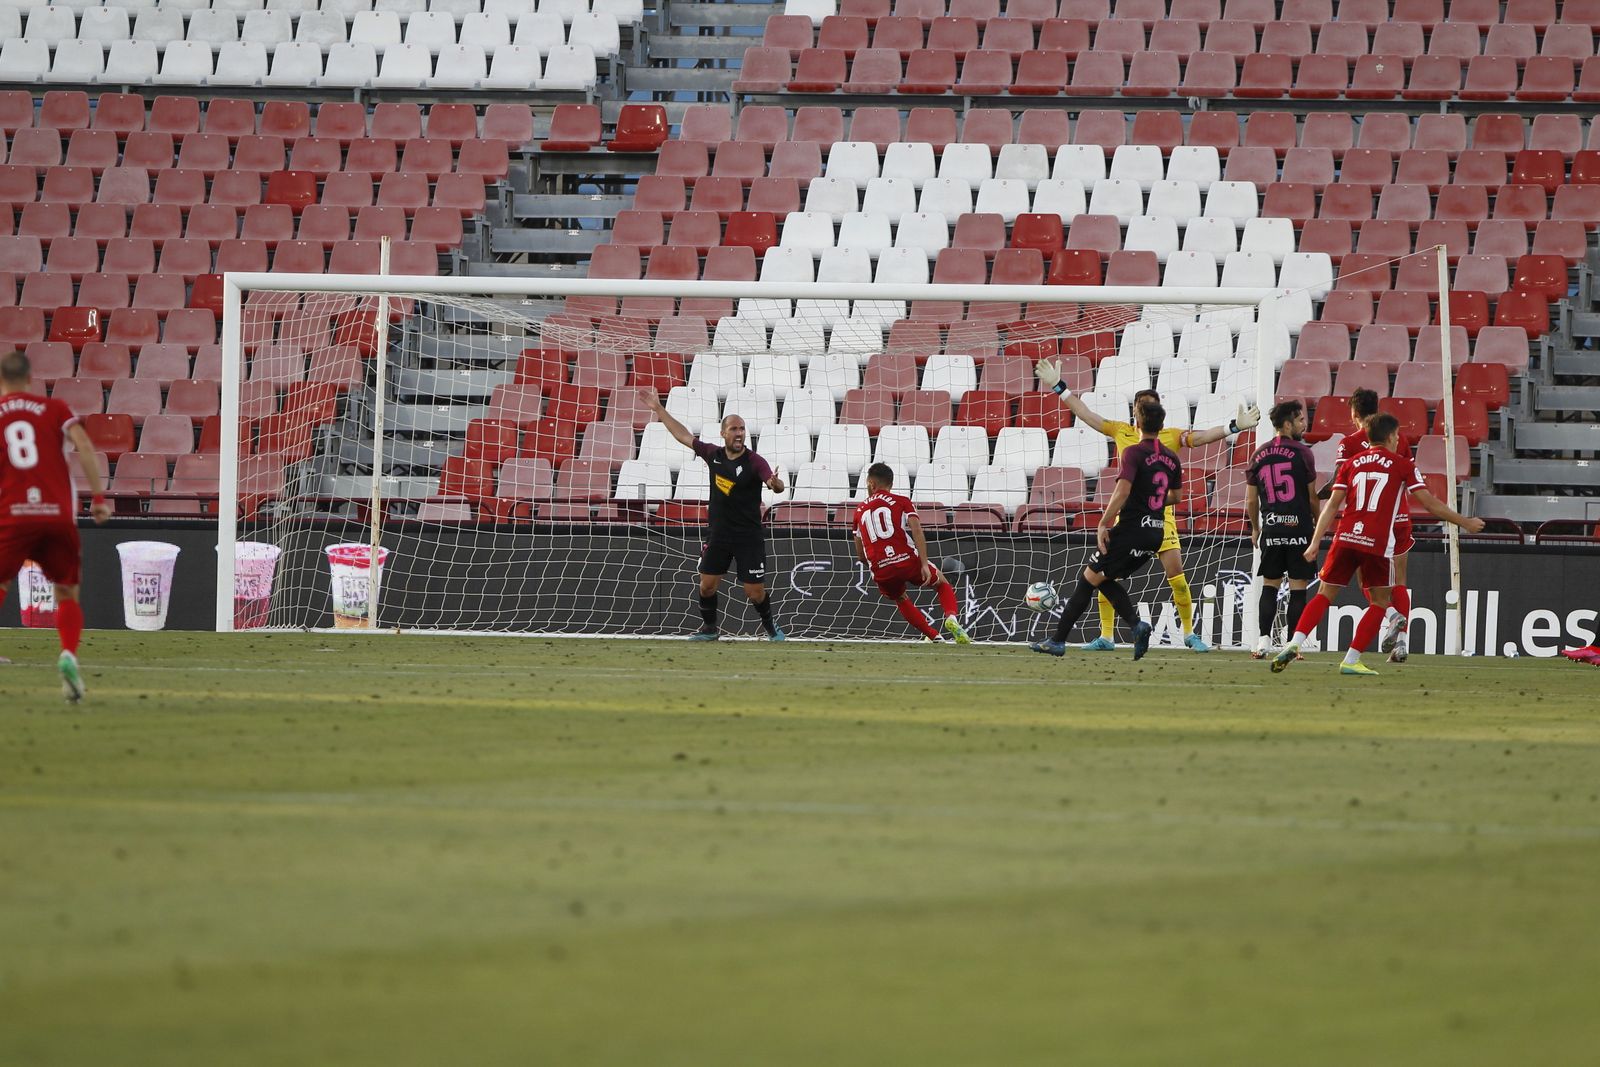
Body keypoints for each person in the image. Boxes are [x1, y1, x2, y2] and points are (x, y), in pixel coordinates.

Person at [1035, 359, 1259, 652]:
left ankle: (1187, 633)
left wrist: (1232, 427)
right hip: (1140, 518)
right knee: (1105, 576)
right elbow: (1086, 414)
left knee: (1170, 578)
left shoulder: (1168, 438)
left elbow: (1201, 438)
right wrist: (1059, 388)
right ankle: (1106, 635)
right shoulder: (1123, 432)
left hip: (1151, 518)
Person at [1272, 413, 1484, 676]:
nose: (1398, 439)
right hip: (1377, 542)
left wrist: (1315, 541)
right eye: (1397, 435)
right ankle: (1351, 659)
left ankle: (1294, 643)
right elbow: (1429, 503)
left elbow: (1333, 506)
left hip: (1345, 536)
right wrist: (1464, 522)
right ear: (1390, 437)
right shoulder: (1402, 464)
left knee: (1324, 594)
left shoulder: (1351, 463)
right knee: (1380, 602)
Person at [0, 349, 111, 701]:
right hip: (56, 514)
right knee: (66, 591)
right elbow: (84, 445)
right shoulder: (55, 408)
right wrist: (97, 498)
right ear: (31, 379)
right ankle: (68, 654)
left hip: (13, 514)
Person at [1030, 402, 1180, 662]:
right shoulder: (1172, 457)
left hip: (1131, 529)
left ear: (1138, 424)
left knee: (1087, 580)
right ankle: (1136, 625)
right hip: (1155, 532)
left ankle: (1057, 641)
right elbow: (1176, 496)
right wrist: (1150, 501)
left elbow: (1122, 491)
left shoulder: (1133, 452)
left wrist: (1103, 522)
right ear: (1162, 426)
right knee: (1103, 579)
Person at [643, 391, 786, 641]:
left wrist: (775, 484)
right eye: (733, 428)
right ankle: (709, 630)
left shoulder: (755, 461)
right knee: (707, 585)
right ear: (723, 434)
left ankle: (771, 629)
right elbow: (683, 436)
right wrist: (659, 409)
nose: (739, 433)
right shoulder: (713, 454)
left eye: (742, 429)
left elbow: (775, 484)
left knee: (754, 592)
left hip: (748, 536)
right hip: (719, 534)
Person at [1336, 388, 1415, 662]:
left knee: (1367, 581)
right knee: (1400, 582)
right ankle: (1402, 644)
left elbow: (1342, 484)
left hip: (1368, 522)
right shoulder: (1397, 437)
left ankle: (1392, 615)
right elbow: (1407, 477)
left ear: (1354, 414)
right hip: (1400, 516)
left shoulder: (1349, 443)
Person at [851, 462, 970, 644]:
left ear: (872, 484)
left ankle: (934, 637)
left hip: (880, 568)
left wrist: (878, 565)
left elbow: (860, 555)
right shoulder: (902, 501)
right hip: (907, 560)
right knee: (941, 583)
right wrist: (923, 563)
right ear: (890, 484)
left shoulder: (859, 511)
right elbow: (916, 530)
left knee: (901, 598)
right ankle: (951, 618)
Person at [1245, 400, 1320, 659]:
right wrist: (1317, 526)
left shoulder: (1258, 454)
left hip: (1272, 530)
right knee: (1298, 589)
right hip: (1299, 529)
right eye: (1300, 420)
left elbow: (1251, 500)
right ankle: (1292, 645)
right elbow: (1312, 498)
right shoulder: (1303, 453)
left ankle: (1263, 642)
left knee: (1270, 587)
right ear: (1287, 424)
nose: (1304, 424)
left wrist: (1256, 529)